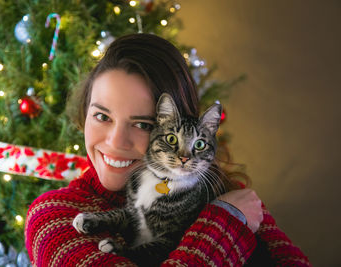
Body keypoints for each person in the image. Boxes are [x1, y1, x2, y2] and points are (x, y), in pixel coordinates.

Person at [25, 33, 311, 266]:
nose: (115, 142)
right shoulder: (54, 217)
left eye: (143, 124)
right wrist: (225, 223)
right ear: (84, 114)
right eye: (102, 116)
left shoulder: (227, 192)